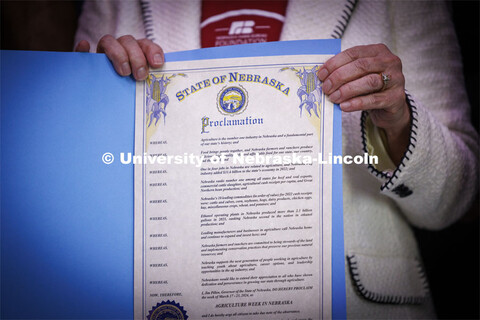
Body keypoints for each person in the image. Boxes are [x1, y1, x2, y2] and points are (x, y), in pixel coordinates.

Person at [75, 0, 478, 318]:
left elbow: (455, 200)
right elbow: (80, 178)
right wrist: (96, 98)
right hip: (166, 298)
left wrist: (398, 121)